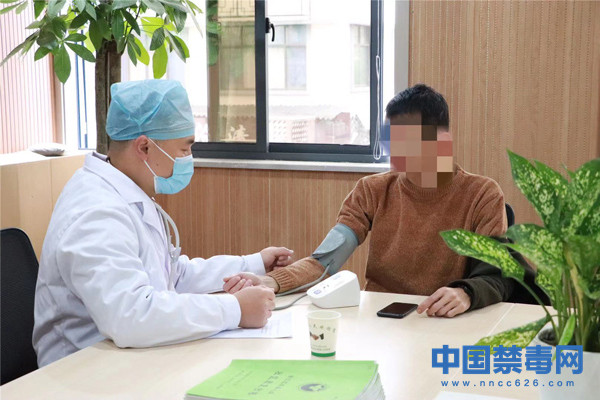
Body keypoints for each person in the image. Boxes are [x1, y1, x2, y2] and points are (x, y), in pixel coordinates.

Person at [33, 80, 293, 367]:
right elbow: (129, 316)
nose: (188, 160)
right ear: (144, 146)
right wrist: (235, 309)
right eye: (183, 150)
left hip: (127, 359)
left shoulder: (128, 193)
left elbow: (173, 275)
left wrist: (253, 263)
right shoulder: (95, 212)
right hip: (82, 372)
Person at [223, 84, 514, 318]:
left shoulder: (482, 194)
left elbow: (495, 275)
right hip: (379, 315)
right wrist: (271, 281)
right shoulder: (372, 190)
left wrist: (466, 292)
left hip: (442, 318)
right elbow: (325, 260)